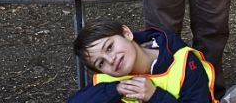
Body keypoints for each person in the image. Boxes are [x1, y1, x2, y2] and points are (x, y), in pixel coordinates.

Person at [67, 20, 215, 103]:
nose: (110, 60)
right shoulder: (109, 79)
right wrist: (115, 90)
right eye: (101, 63)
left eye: (110, 47)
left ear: (127, 33)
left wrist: (155, 96)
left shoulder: (184, 63)